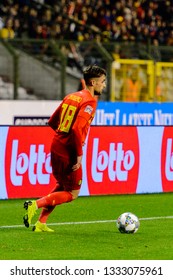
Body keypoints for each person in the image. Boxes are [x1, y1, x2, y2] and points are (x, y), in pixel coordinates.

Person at [23, 65, 107, 232]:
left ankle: (41, 223)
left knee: (62, 184)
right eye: (102, 82)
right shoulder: (89, 101)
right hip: (69, 151)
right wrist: (78, 154)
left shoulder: (72, 96)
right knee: (72, 194)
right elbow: (76, 129)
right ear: (92, 82)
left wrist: (63, 137)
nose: (104, 85)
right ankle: (35, 204)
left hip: (56, 145)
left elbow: (53, 121)